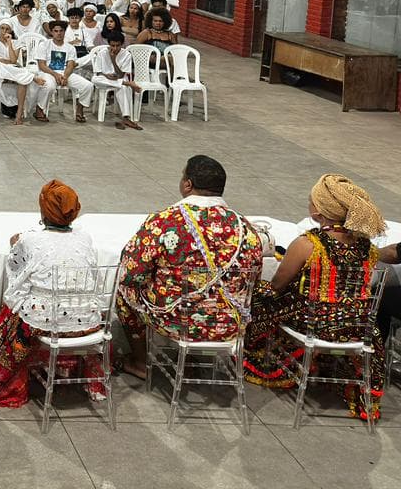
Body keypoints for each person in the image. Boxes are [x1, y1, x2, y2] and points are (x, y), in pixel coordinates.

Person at [244, 174, 388, 420]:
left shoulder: (308, 244)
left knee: (258, 298)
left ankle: (271, 362)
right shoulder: (365, 246)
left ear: (319, 213)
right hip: (358, 327)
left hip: (316, 325)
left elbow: (278, 284)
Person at [117, 156, 263, 379]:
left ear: (187, 184)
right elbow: (254, 277)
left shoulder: (165, 222)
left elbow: (131, 272)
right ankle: (198, 355)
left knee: (124, 292)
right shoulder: (245, 227)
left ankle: (139, 362)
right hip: (229, 323)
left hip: (177, 321)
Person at [0, 180, 106, 407]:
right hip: (86, 321)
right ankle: (71, 366)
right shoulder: (85, 239)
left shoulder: (31, 239)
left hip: (46, 323)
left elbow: (16, 275)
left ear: (44, 210)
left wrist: (18, 243)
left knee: (13, 310)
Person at [32, 19, 94, 124]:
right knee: (48, 86)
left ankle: (80, 109)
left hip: (65, 73)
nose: (59, 33)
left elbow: (70, 65)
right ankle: (39, 109)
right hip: (48, 73)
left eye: (61, 31)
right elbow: (41, 65)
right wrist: (55, 75)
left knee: (88, 85)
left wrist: (65, 76)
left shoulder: (70, 48)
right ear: (51, 32)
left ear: (65, 31)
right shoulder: (44, 45)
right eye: (56, 31)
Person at [0, 23, 48, 127]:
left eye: (7, 29)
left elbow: (14, 60)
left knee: (22, 80)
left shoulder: (15, 43)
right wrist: (7, 62)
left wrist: (9, 43)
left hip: (13, 70)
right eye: (2, 28)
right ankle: (32, 77)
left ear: (11, 31)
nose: (4, 31)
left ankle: (19, 114)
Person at [88, 31, 143, 130]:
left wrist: (113, 60)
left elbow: (121, 74)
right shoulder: (102, 53)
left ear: (122, 44)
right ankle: (127, 83)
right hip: (104, 79)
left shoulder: (126, 54)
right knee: (94, 79)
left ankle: (126, 117)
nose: (115, 48)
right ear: (109, 44)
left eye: (118, 45)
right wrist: (107, 75)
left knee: (123, 87)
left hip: (119, 78)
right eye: (112, 45)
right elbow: (98, 72)